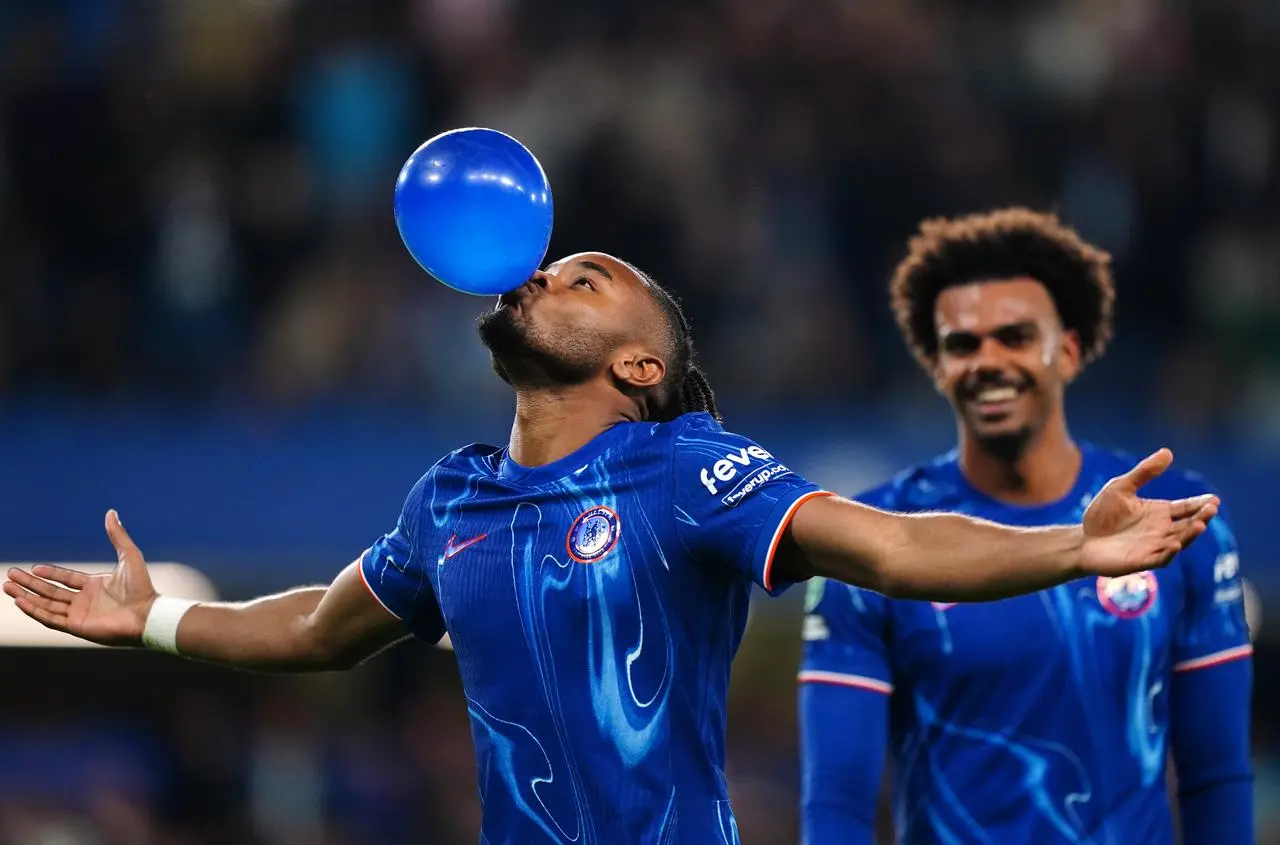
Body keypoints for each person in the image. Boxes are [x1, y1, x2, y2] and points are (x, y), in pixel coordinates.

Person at [6, 251, 1218, 845]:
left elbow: (891, 546)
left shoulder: (684, 467)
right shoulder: (451, 497)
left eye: (585, 278)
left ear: (637, 365)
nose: (545, 267)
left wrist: (1068, 547)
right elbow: (320, 629)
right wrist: (153, 616)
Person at [797, 210, 1253, 845]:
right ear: (936, 364)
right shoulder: (872, 542)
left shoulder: (1175, 517)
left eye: (1013, 336)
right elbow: (838, 803)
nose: (987, 361)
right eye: (962, 344)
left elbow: (1217, 776)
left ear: (1066, 350)